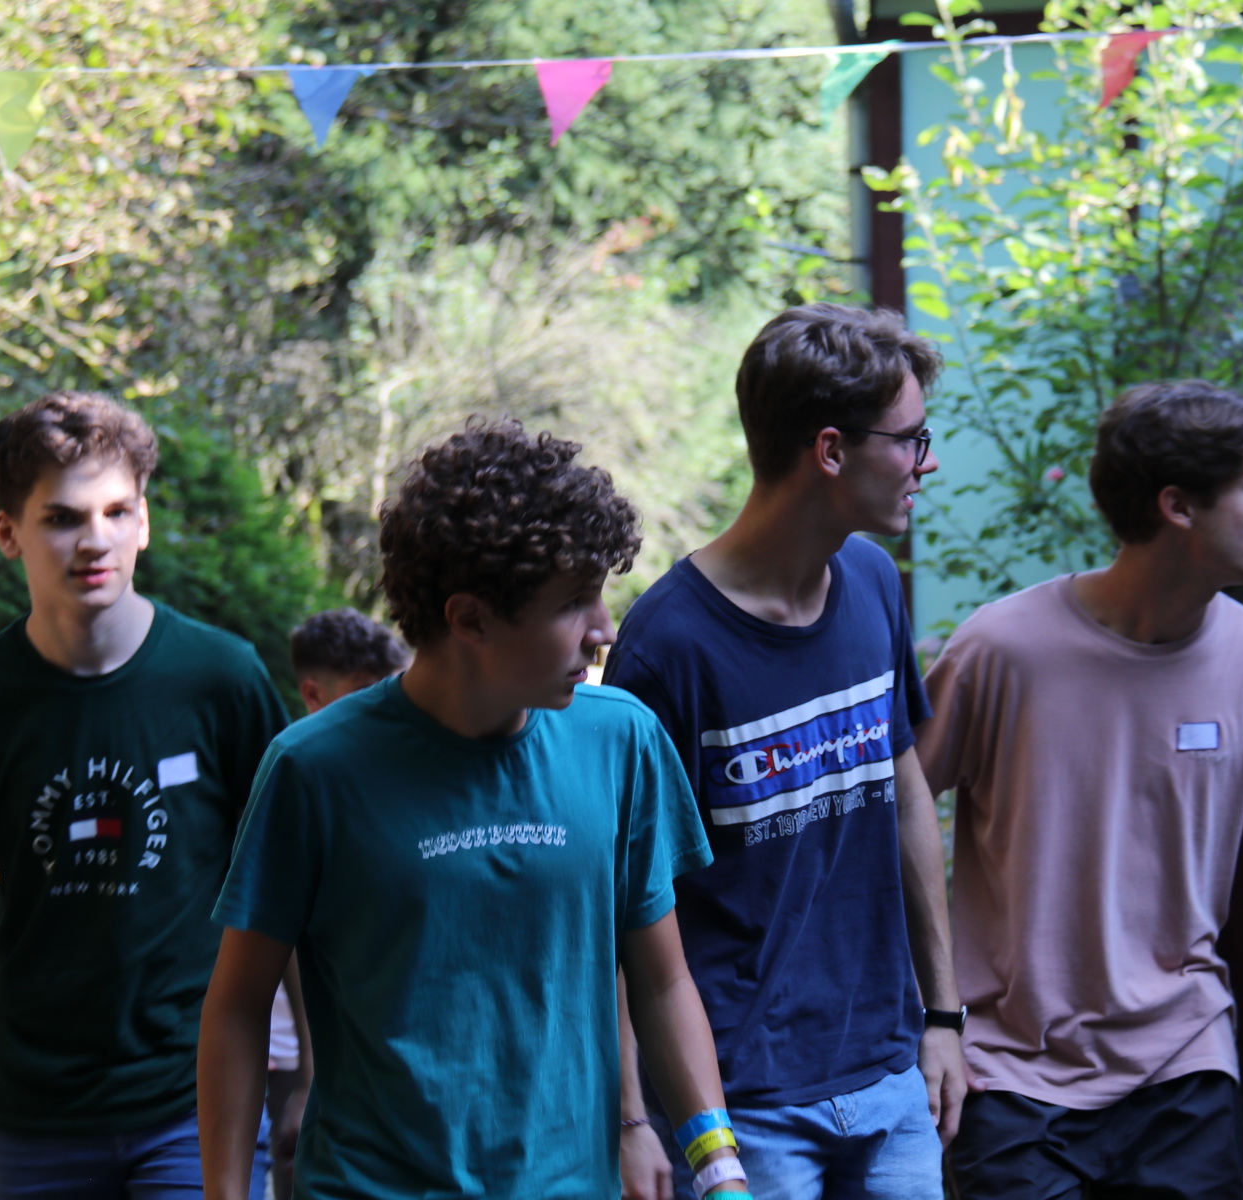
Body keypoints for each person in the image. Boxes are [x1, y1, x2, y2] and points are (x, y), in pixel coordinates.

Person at [197, 419, 753, 1200]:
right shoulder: (313, 769)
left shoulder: (621, 740)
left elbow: (662, 984)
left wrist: (719, 1168)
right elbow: (237, 1006)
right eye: (573, 603)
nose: (604, 631)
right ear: (469, 618)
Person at [917, 380, 1243, 1197]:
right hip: (1010, 1075)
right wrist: (936, 1017)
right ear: (1178, 506)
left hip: (1184, 1068)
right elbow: (895, 816)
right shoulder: (1000, 648)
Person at [0, 392, 289, 1200]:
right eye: (61, 518)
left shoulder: (222, 679)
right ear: (8, 533)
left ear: (144, 522)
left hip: (196, 1101)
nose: (96, 539)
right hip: (32, 1112)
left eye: (117, 511)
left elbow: (286, 887)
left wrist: (324, 1077)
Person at [603, 303, 965, 1200]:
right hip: (742, 1106)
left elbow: (906, 790)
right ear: (831, 451)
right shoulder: (666, 648)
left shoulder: (874, 583)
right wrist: (635, 1120)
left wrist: (944, 1015)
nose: (926, 463)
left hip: (890, 1077)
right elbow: (622, 906)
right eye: (910, 441)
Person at [260, 608, 412, 1200]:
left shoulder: (404, 775)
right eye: (363, 692)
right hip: (286, 1054)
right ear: (313, 694)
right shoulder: (290, 777)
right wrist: (308, 1075)